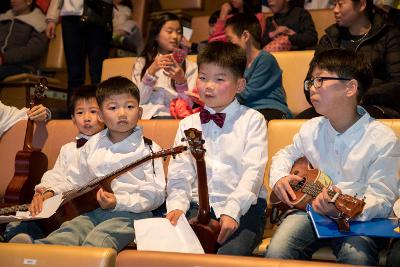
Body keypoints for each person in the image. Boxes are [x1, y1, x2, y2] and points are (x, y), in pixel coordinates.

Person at [265, 48, 399, 266]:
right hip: (309, 214)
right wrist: (279, 178)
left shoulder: (382, 139)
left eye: (320, 81)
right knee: (278, 251)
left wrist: (342, 209)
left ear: (350, 87)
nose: (311, 88)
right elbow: (285, 153)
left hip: (358, 221)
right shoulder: (311, 128)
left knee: (357, 256)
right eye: (311, 82)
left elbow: (383, 199)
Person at [9, 76, 166, 252]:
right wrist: (47, 191)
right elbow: (73, 181)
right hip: (93, 211)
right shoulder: (92, 145)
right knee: (68, 233)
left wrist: (118, 202)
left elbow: (157, 193)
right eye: (113, 107)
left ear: (140, 112)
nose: (122, 113)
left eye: (129, 106)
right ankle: (30, 253)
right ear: (101, 115)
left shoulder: (149, 149)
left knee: (97, 242)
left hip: (132, 214)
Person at [166, 41, 268, 255]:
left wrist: (232, 211)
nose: (208, 86)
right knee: (177, 254)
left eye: (219, 79)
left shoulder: (253, 120)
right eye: (203, 78)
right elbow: (179, 173)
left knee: (228, 256)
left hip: (244, 208)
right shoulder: (188, 123)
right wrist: (177, 206)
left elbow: (253, 172)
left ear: (240, 85)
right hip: (197, 205)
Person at [4, 85, 104, 241]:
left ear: (105, 115)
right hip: (57, 203)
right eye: (80, 112)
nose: (86, 118)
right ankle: (17, 240)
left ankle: (34, 245)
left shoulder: (107, 148)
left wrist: (52, 192)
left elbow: (80, 183)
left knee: (62, 226)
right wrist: (42, 192)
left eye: (93, 111)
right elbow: (55, 173)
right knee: (24, 219)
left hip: (79, 208)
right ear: (72, 119)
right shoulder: (68, 149)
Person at [298, 0, 400, 119]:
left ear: (362, 5)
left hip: (374, 105)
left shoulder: (389, 36)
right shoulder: (329, 39)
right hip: (331, 105)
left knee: (352, 121)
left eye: (340, 5)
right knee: (298, 124)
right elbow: (310, 81)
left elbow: (396, 84)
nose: (335, 10)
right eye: (334, 4)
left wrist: (357, 95)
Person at [225, 13, 291, 121]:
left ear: (245, 36)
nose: (228, 45)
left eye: (230, 40)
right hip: (245, 112)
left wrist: (221, 94)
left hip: (270, 109)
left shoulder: (265, 59)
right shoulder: (235, 63)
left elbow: (246, 94)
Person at [45, 0, 112, 107]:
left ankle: (101, 116)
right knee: (74, 75)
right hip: (71, 16)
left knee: (98, 74)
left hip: (98, 13)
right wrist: (51, 19)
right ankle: (72, 116)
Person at [131, 12, 197, 119]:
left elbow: (190, 105)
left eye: (179, 32)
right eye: (169, 31)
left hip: (174, 118)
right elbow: (137, 101)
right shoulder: (142, 62)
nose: (175, 36)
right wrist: (151, 71)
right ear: (156, 35)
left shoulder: (190, 66)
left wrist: (181, 81)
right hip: (145, 117)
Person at [0, 0, 48, 81]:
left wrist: (4, 58)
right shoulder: (4, 18)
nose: (12, 0)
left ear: (29, 1)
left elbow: (32, 51)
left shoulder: (38, 21)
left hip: (23, 66)